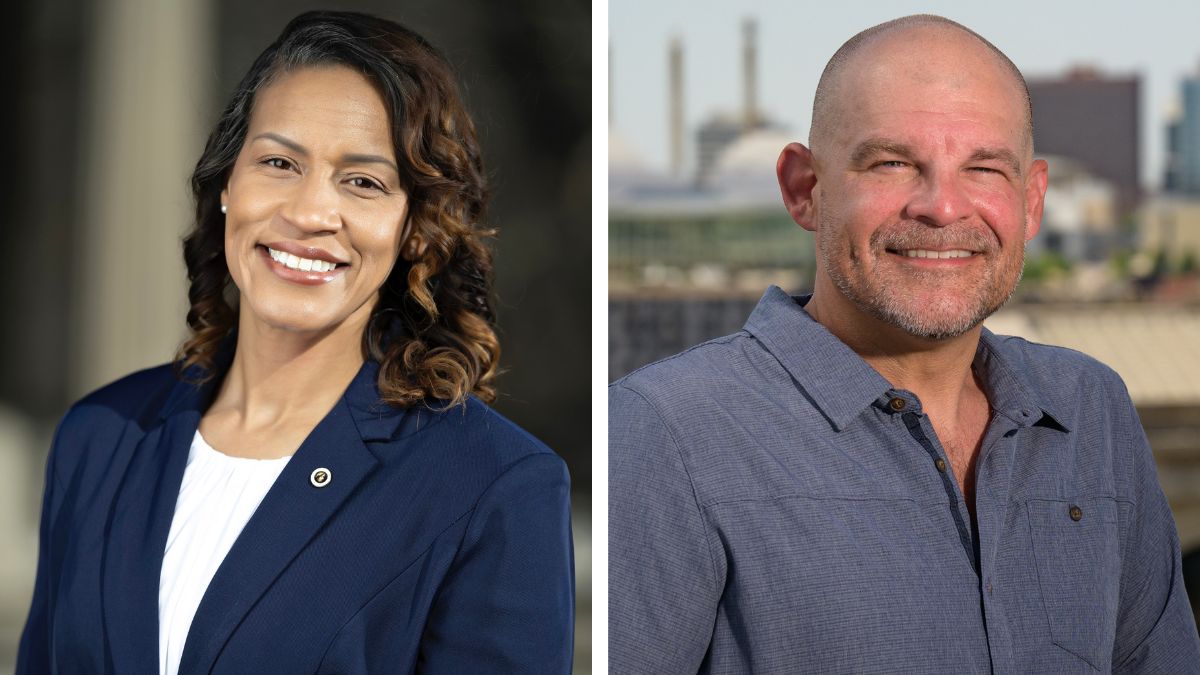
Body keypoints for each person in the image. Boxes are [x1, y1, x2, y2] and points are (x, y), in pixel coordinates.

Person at [609, 14, 1200, 673]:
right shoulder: (666, 434)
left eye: (983, 168)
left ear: (1031, 202)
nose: (943, 208)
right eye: (892, 163)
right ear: (804, 189)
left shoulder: (1091, 408)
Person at [18, 11, 573, 674]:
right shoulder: (100, 437)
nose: (310, 213)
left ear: (415, 227)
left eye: (362, 181)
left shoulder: (493, 485)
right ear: (229, 185)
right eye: (279, 162)